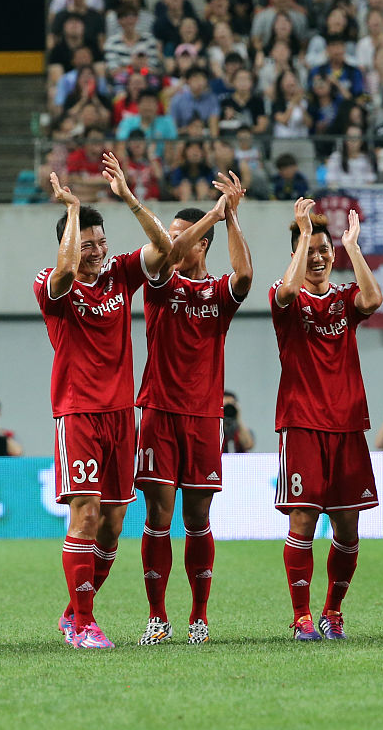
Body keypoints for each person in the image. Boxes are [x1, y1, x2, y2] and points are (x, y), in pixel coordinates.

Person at [38, 153, 172, 649]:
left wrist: (131, 200)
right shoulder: (52, 286)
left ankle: (74, 612)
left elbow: (166, 249)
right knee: (87, 516)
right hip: (77, 412)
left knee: (114, 527)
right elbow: (66, 268)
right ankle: (84, 625)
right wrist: (74, 210)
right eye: (86, 244)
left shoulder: (120, 274)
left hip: (121, 415)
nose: (95, 252)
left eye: (100, 242)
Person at [136, 172, 252, 646]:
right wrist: (215, 210)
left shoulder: (219, 293)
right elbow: (166, 254)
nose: (170, 244)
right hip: (160, 412)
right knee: (158, 518)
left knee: (198, 519)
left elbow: (244, 277)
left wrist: (232, 218)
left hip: (205, 418)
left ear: (199, 246)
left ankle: (198, 617)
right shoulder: (160, 285)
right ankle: (158, 617)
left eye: (178, 238)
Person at [272, 201, 383, 642]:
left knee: (348, 527)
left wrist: (352, 247)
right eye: (309, 250)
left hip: (348, 426)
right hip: (302, 424)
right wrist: (301, 235)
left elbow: (373, 299)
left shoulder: (342, 299)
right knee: (302, 520)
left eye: (323, 250)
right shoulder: (285, 297)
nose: (318, 257)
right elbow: (285, 290)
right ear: (297, 253)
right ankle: (301, 616)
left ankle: (332, 611)